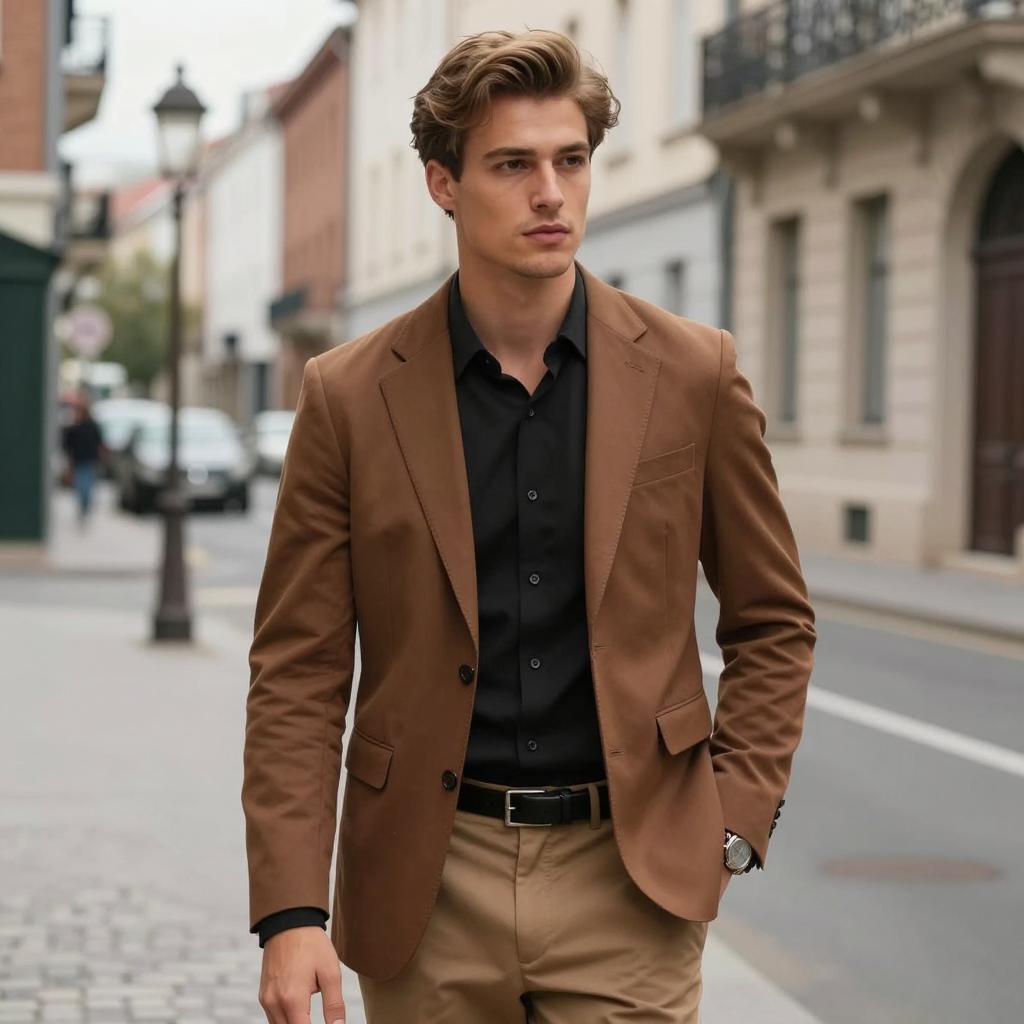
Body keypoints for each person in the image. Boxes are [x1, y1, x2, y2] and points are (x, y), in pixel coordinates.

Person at [242, 28, 816, 1024]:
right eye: (512, 165)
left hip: (629, 880)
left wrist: (732, 823)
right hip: (427, 881)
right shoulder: (349, 396)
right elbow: (298, 669)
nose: (550, 193)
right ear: (443, 183)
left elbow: (773, 621)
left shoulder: (694, 373)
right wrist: (291, 911)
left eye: (570, 160)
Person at [61, 396, 107, 528]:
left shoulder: (92, 426)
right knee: (80, 487)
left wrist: (101, 456)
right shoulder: (73, 428)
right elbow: (67, 445)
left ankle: (85, 508)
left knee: (87, 488)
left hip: (90, 461)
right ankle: (82, 508)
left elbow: (100, 442)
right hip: (78, 462)